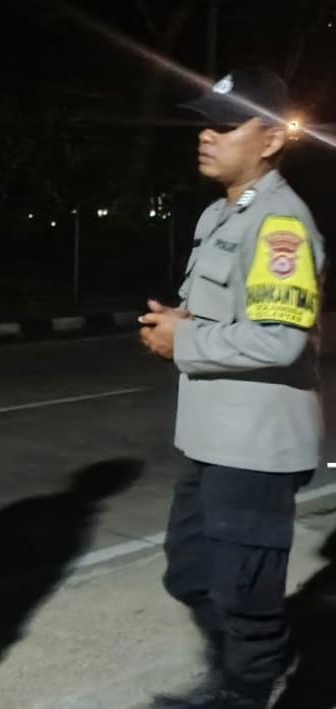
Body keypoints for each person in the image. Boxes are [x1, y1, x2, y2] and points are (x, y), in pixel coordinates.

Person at [140, 66, 326, 709]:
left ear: (271, 139)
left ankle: (245, 691)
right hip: (213, 439)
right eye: (203, 125)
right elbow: (233, 315)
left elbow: (279, 340)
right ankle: (238, 670)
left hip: (256, 447)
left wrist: (184, 341)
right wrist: (184, 322)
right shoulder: (221, 215)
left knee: (243, 591)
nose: (206, 136)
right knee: (190, 572)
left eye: (225, 126)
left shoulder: (280, 225)